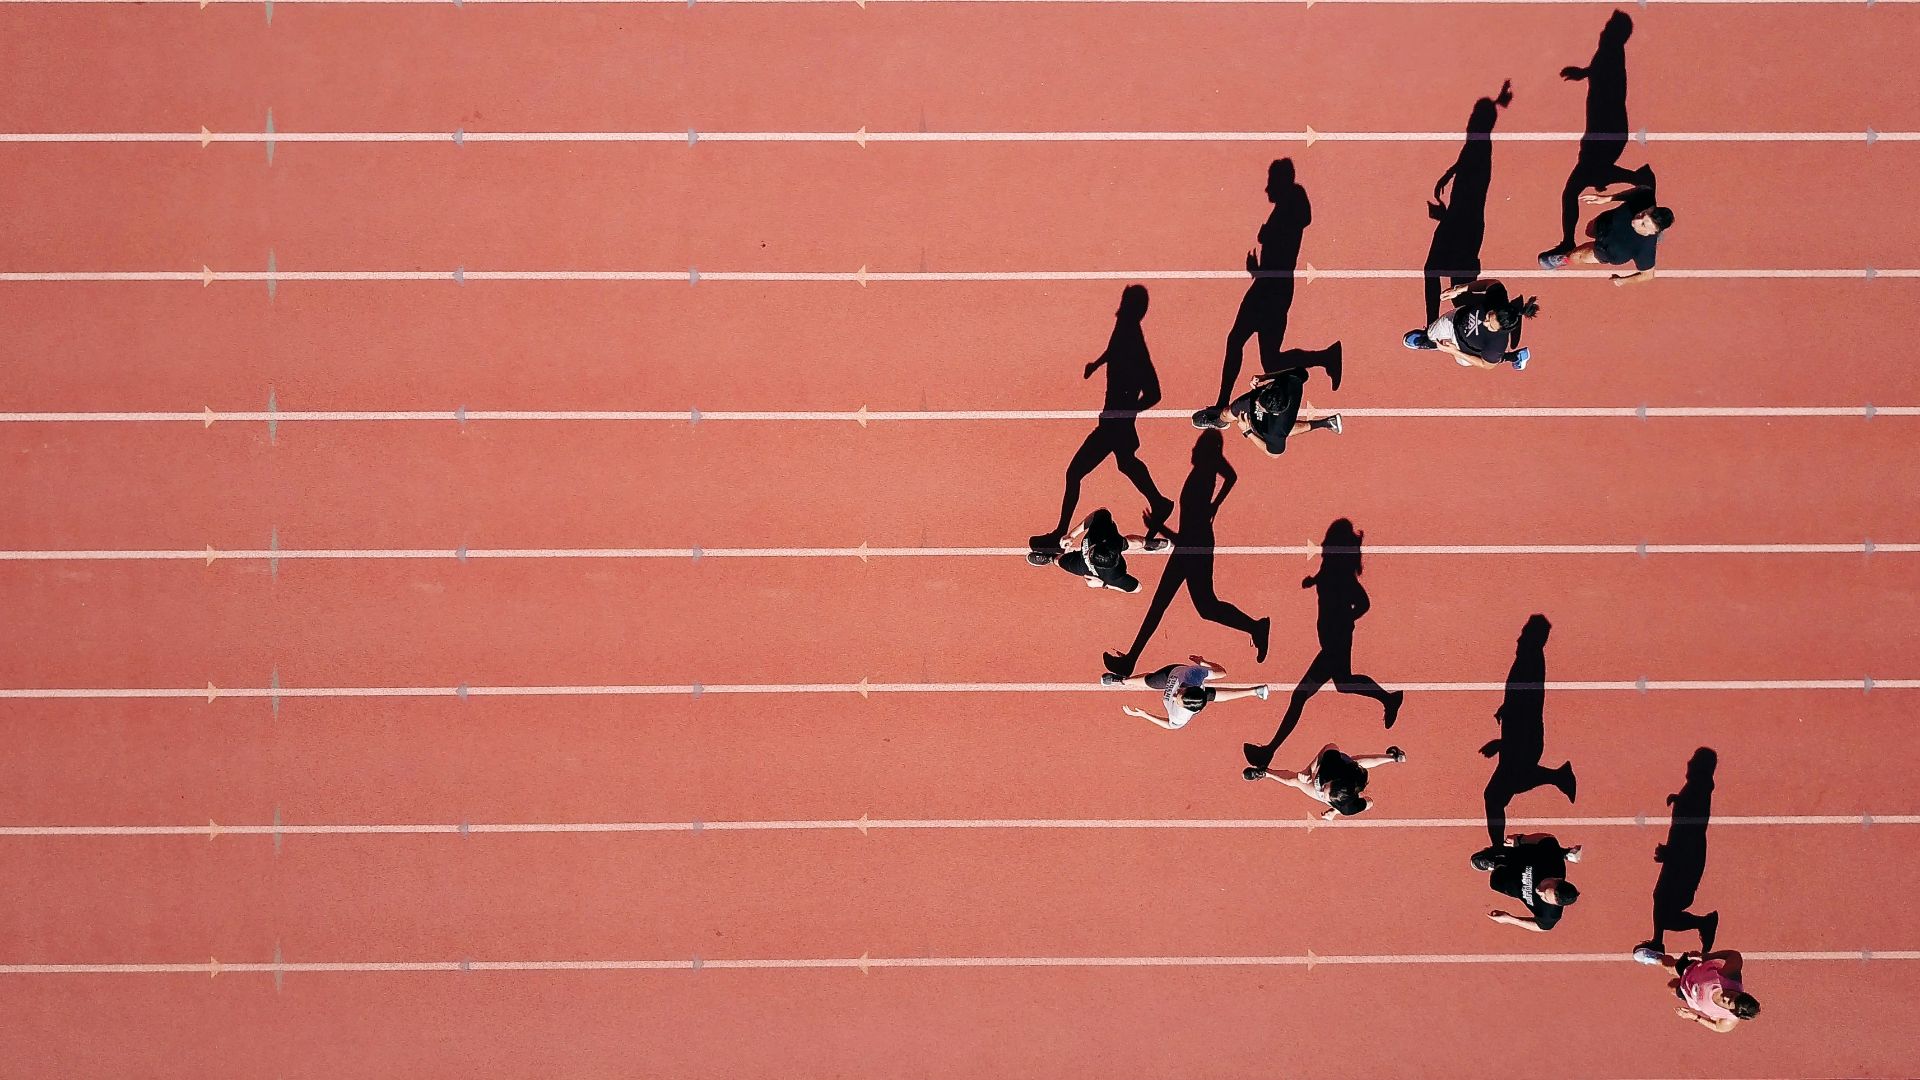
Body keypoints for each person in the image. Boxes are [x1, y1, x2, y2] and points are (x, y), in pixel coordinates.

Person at [1102, 431, 1271, 677]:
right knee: (1165, 604)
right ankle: (1130, 660)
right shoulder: (1206, 471)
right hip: (1192, 545)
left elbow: (1190, 533)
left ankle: (1256, 626)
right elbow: (1231, 477)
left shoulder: (1202, 477)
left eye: (1196, 448)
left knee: (1205, 607)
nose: (1192, 451)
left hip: (1195, 546)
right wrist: (1215, 505)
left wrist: (1161, 527)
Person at [1191, 159, 1341, 431]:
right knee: (1266, 357)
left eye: (1271, 180)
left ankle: (1222, 408)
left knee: (1239, 342)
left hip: (1271, 289)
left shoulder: (1288, 209)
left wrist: (1261, 257)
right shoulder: (1290, 208)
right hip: (1274, 286)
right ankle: (1325, 357)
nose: (1267, 188)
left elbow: (1283, 243)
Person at [1244, 520, 1403, 770]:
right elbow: (1331, 584)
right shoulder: (1330, 569)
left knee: (1299, 696)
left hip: (1335, 644)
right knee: (1344, 683)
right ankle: (1389, 700)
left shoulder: (1341, 575)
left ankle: (1269, 751)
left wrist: (1344, 620)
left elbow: (1363, 603)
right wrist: (1314, 581)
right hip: (1333, 640)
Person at [1029, 286, 1177, 555]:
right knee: (1126, 464)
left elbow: (1154, 393)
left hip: (1113, 424)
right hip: (1114, 423)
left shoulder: (1133, 338)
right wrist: (1098, 363)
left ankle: (1060, 536)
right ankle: (1160, 501)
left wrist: (1125, 413)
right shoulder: (1124, 330)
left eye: (1125, 302)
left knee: (1075, 472)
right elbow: (1114, 349)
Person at [1539, 177, 1673, 286]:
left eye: (1643, 224)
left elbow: (1648, 275)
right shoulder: (1645, 197)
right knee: (1589, 230)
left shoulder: (1645, 249)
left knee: (1577, 256)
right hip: (1606, 223)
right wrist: (1608, 198)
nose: (1636, 220)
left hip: (1607, 251)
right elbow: (1637, 192)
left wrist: (1623, 281)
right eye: (1642, 214)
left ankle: (1565, 259)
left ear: (1653, 232)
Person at [1100, 655, 1269, 730]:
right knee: (1150, 680)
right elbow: (1222, 672)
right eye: (1179, 692)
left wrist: (1143, 715)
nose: (1174, 695)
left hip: (1195, 695)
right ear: (1191, 687)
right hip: (1173, 673)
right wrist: (1204, 663)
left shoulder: (1181, 715)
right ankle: (1122, 680)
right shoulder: (1193, 674)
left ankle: (1255, 691)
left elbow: (1170, 726)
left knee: (1213, 696)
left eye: (1177, 698)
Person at [1242, 743, 1404, 820]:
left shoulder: (1348, 808)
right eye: (1326, 788)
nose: (1321, 792)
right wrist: (1309, 770)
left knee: (1295, 782)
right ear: (1334, 781)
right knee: (1356, 761)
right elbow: (1330, 746)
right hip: (1341, 767)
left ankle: (1266, 773)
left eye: (1326, 795)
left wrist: (1335, 811)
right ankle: (1393, 757)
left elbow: (1369, 803)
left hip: (1346, 790)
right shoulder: (1332, 766)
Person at [1404, 280, 1539, 371]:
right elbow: (1490, 284)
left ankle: (1513, 357)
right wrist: (1459, 289)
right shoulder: (1498, 297)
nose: (1483, 322)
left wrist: (1454, 351)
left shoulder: (1498, 343)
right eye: (1488, 316)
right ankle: (1430, 340)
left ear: (1501, 330)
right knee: (1431, 334)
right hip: (1454, 320)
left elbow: (1487, 365)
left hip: (1465, 349)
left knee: (1465, 361)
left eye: (1490, 326)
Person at [1029, 508, 1166, 593]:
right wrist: (1072, 535)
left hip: (1084, 568)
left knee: (1059, 560)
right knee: (1128, 542)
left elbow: (1137, 588)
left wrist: (1103, 584)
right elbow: (1099, 512)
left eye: (1089, 552)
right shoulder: (1103, 534)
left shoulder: (1113, 576)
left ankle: (1050, 558)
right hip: (1109, 549)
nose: (1087, 552)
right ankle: (1148, 543)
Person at [1474, 833, 1582, 932]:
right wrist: (1520, 839)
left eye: (1544, 897)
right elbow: (1547, 838)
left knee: (1495, 882)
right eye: (1546, 886)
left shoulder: (1550, 914)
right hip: (1527, 858)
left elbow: (1542, 927)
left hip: (1518, 887)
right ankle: (1499, 859)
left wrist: (1510, 919)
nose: (1539, 891)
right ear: (1557, 879)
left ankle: (1497, 865)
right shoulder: (1551, 860)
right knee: (1513, 852)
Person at [1635, 949, 1760, 1032]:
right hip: (1693, 970)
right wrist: (1707, 957)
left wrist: (1694, 1017)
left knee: (1671, 987)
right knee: (1670, 966)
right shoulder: (1730, 976)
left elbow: (1717, 1027)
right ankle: (1655, 957)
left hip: (1689, 994)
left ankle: (1679, 982)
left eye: (1727, 1002)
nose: (1726, 996)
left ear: (1733, 1012)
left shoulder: (1728, 1021)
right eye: (1732, 994)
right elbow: (1734, 955)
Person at [1227, 368, 1342, 457]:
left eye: (1259, 405)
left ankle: (1325, 423)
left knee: (1276, 433)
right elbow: (1300, 372)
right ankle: (1328, 422)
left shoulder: (1276, 429)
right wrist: (1265, 377)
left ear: (1271, 413)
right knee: (1227, 412)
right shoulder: (1291, 381)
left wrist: (1247, 431)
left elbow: (1274, 454)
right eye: (1260, 399)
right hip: (1284, 413)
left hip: (1276, 425)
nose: (1256, 403)